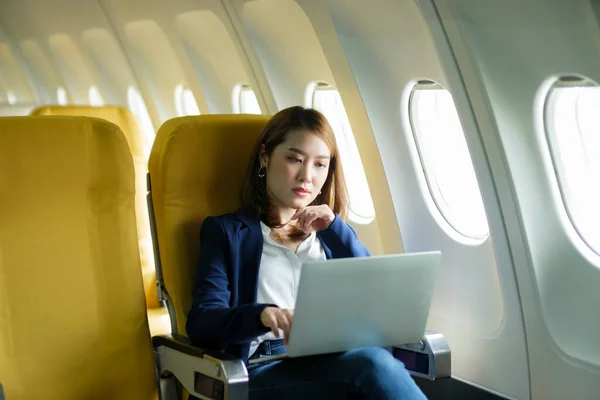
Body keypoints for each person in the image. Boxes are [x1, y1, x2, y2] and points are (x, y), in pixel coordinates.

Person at [186, 106, 427, 400]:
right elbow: (203, 322)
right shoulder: (225, 232)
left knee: (373, 363)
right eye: (294, 159)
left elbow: (374, 299)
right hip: (262, 368)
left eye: (320, 165)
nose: (307, 176)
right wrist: (262, 315)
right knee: (372, 367)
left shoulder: (330, 236)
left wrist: (336, 229)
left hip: (330, 359)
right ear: (265, 156)